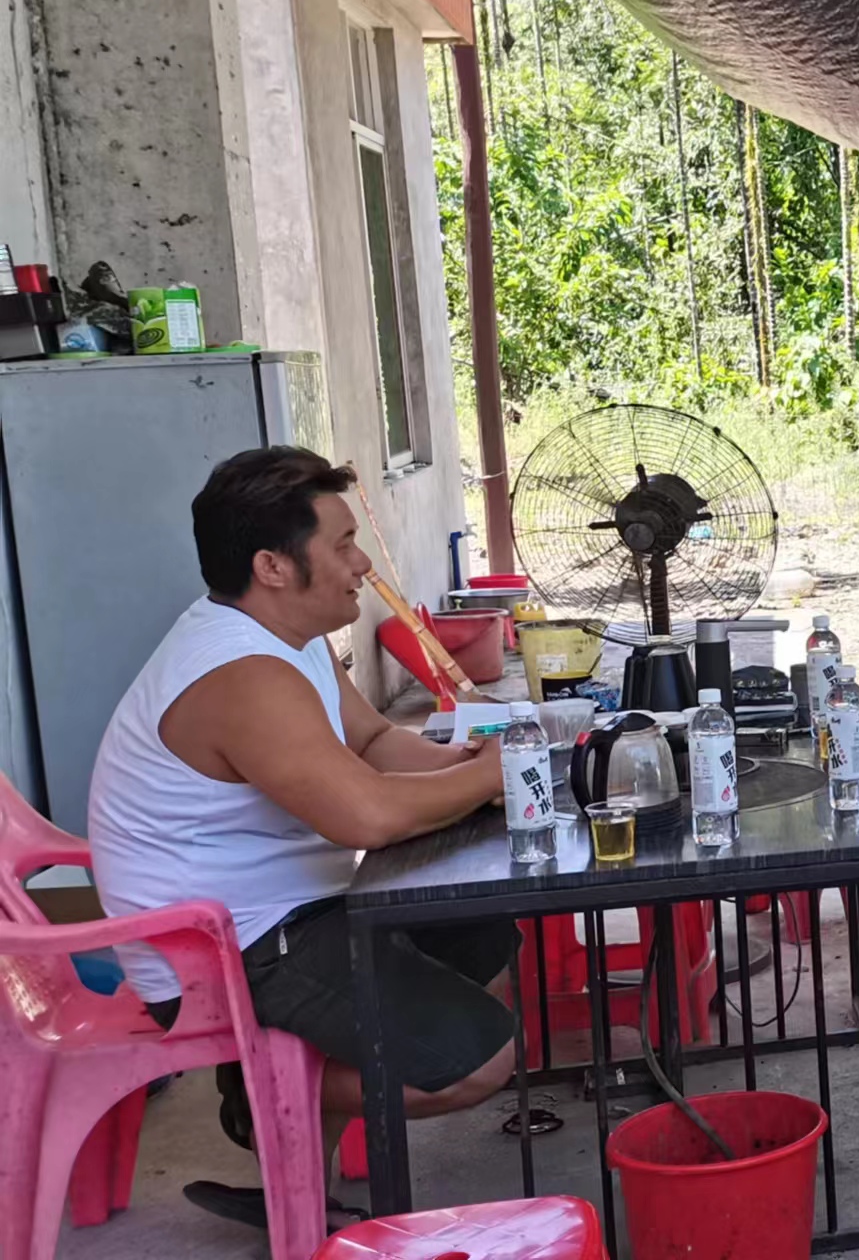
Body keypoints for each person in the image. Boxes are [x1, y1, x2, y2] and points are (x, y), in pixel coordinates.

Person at [87, 447, 514, 1229]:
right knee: (479, 1062)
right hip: (217, 952)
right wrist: (494, 776)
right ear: (273, 567)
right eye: (343, 544)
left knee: (481, 922)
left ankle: (297, 1171)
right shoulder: (242, 675)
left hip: (283, 912)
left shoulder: (288, 634)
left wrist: (470, 766)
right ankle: (263, 1090)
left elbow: (374, 741)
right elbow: (366, 816)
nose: (362, 563)